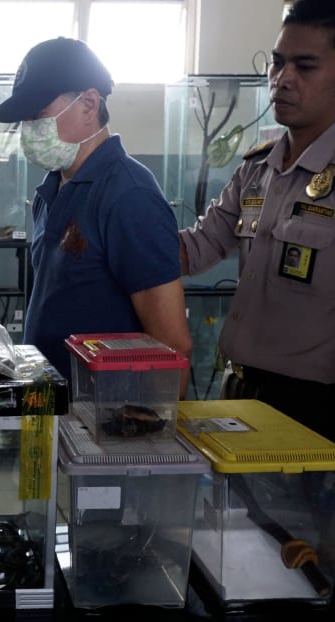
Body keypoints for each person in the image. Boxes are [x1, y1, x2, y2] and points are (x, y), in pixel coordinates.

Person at [0, 37, 192, 396]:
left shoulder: (129, 196)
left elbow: (172, 344)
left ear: (89, 103)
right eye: (25, 121)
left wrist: (147, 435)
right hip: (55, 408)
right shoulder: (52, 190)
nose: (29, 131)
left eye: (38, 117)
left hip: (107, 420)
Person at [179, 0, 335, 442]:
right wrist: (119, 238)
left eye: (305, 67)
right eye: (278, 63)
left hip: (314, 408)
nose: (283, 79)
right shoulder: (258, 168)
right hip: (242, 392)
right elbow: (196, 248)